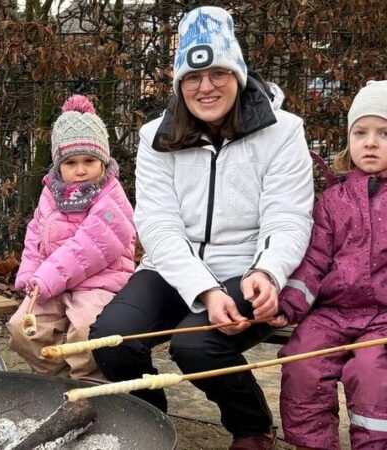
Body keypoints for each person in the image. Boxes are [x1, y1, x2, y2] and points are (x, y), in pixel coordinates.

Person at [89, 6, 314, 449]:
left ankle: (252, 427)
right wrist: (204, 291)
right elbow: (157, 224)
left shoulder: (283, 132)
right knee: (112, 339)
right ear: (179, 83)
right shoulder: (156, 136)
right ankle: (149, 421)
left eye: (217, 73)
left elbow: (288, 216)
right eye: (192, 77)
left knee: (196, 348)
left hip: (247, 269)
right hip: (172, 267)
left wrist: (268, 272)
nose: (205, 87)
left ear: (239, 74)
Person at [276, 80, 387, 450]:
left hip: (383, 317)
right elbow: (314, 262)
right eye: (361, 132)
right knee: (302, 361)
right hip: (333, 311)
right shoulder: (332, 200)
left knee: (371, 373)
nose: (370, 142)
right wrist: (288, 304)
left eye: (384, 133)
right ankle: (313, 445)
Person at [6, 95, 136, 380]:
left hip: (98, 283)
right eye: (71, 162)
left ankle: (89, 382)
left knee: (86, 329)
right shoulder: (51, 192)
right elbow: (35, 235)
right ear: (58, 165)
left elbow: (88, 247)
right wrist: (29, 274)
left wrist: (45, 278)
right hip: (52, 284)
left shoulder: (111, 196)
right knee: (23, 329)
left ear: (103, 161)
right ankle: (59, 377)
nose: (80, 170)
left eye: (89, 160)